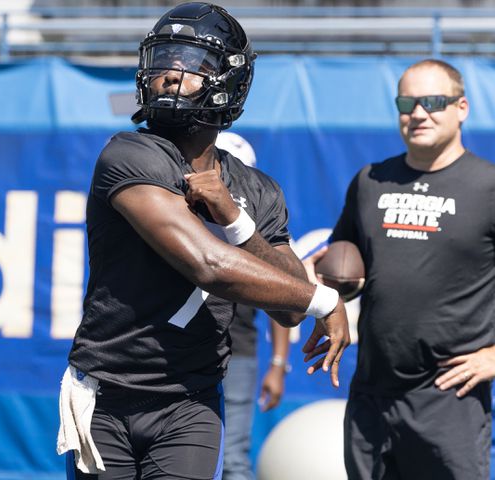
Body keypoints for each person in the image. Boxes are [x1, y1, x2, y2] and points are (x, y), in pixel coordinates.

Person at [57, 3, 350, 479]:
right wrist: (326, 299)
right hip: (107, 388)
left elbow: (289, 306)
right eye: (165, 60)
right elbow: (207, 265)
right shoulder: (129, 153)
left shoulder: (258, 190)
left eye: (192, 63)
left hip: (190, 400)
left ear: (229, 80)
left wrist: (235, 219)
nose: (172, 74)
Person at [305, 59, 495, 480]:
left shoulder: (488, 187)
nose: (419, 113)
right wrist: (316, 280)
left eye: (433, 101)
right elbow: (341, 263)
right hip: (372, 391)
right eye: (407, 102)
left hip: (450, 396)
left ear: (462, 107)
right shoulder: (371, 180)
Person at [215, 131, 291, 480]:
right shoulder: (177, 217)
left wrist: (278, 364)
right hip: (176, 352)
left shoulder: (260, 229)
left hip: (238, 351)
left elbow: (283, 298)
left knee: (232, 458)